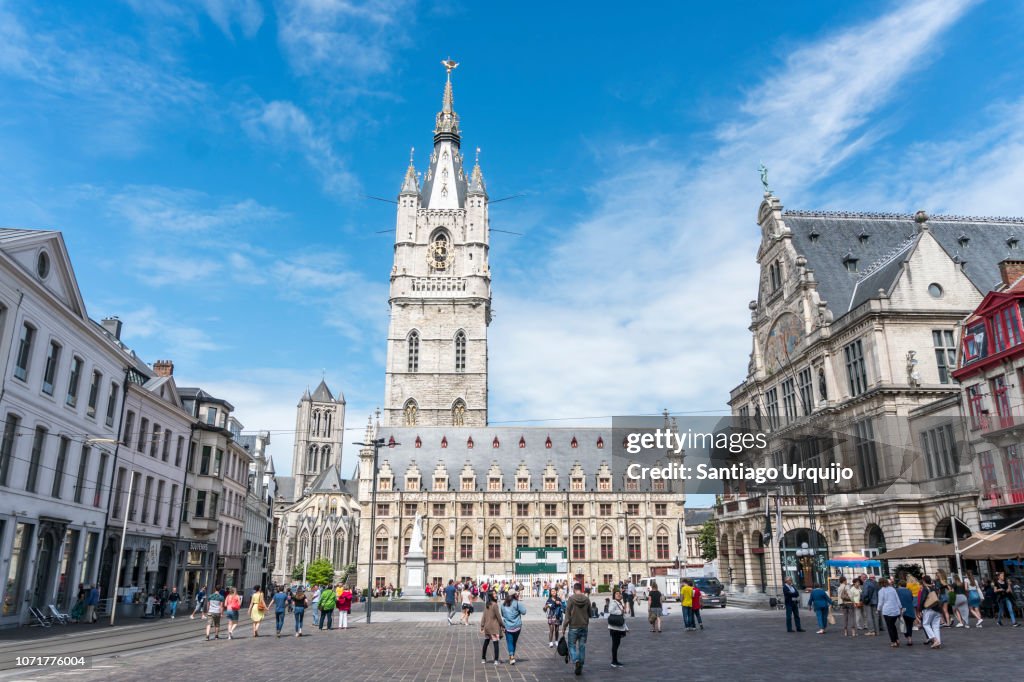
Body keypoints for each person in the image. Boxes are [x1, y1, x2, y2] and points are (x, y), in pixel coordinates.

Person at [565, 582, 591, 676]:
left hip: (573, 626)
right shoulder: (587, 599)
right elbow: (591, 613)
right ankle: (581, 665)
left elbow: (567, 615)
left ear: (574, 589)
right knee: (582, 646)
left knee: (571, 645)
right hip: (584, 626)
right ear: (581, 589)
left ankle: (576, 660)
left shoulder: (571, 599)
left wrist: (564, 627)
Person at [500, 591, 527, 665]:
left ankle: (511, 656)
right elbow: (524, 612)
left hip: (508, 626)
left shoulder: (503, 604)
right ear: (514, 595)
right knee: (514, 642)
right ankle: (512, 656)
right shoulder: (517, 603)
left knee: (509, 641)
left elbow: (502, 614)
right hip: (517, 626)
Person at [918, 575, 943, 648]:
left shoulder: (925, 589)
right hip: (937, 609)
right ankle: (938, 642)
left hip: (929, 609)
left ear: (924, 581)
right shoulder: (935, 588)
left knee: (925, 624)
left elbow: (922, 600)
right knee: (936, 626)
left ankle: (935, 640)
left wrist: (920, 609)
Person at [877, 578, 902, 647]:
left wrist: (878, 609)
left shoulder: (881, 591)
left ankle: (893, 641)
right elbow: (897, 599)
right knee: (893, 626)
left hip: (887, 611)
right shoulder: (892, 589)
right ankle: (897, 639)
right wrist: (900, 607)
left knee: (890, 627)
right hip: (895, 610)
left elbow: (880, 602)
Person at [480, 589, 503, 665]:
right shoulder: (494, 605)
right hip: (494, 627)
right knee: (495, 643)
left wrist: (482, 626)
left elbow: (484, 616)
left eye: (495, 593)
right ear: (491, 596)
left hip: (487, 627)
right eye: (494, 594)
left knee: (486, 643)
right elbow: (498, 616)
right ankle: (496, 660)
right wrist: (503, 625)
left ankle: (483, 658)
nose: (495, 595)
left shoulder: (487, 604)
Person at [607, 588, 628, 668]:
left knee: (617, 643)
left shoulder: (619, 602)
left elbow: (622, 616)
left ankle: (615, 660)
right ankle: (614, 661)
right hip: (614, 627)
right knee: (615, 644)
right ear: (614, 595)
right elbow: (610, 611)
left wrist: (626, 627)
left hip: (618, 626)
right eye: (616, 593)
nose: (618, 594)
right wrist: (620, 612)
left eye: (619, 593)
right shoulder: (613, 602)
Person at [896, 580, 917, 645]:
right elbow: (911, 599)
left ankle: (908, 638)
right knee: (909, 625)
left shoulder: (897, 591)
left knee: (904, 625)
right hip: (910, 610)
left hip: (902, 610)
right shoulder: (909, 591)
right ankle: (910, 638)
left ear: (899, 585)